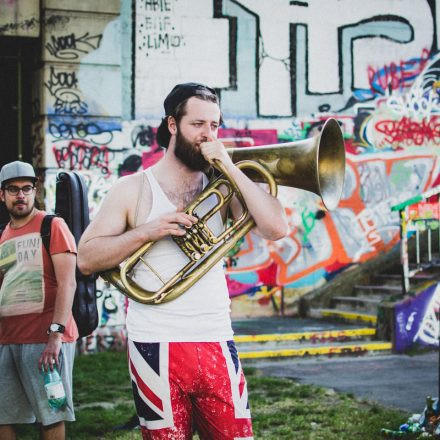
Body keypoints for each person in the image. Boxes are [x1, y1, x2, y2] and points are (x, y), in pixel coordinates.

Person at [77, 82, 288, 439]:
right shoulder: (132, 189)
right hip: (154, 343)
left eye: (215, 126)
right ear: (173, 125)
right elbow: (86, 258)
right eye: (198, 125)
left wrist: (230, 167)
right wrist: (149, 231)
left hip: (216, 336)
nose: (208, 135)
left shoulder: (223, 183)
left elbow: (276, 227)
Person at [0, 161, 78, 440]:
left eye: (26, 188)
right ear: (2, 194)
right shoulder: (2, 235)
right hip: (7, 339)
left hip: (45, 340)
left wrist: (55, 336)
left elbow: (69, 282)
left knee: (50, 415)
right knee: (3, 417)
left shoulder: (51, 226)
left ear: (35, 191)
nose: (20, 195)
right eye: (13, 189)